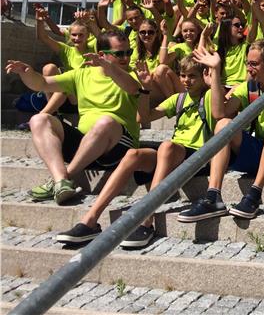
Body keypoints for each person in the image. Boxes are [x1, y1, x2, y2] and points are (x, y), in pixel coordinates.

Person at [54, 55, 220, 246]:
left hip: (198, 155)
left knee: (167, 146)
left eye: (192, 76)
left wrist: (214, 77)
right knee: (133, 154)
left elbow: (219, 113)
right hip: (171, 153)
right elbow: (143, 118)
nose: (186, 81)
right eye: (183, 75)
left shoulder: (210, 95)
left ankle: (146, 219)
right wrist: (145, 90)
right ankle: (90, 220)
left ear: (203, 76)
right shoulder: (179, 98)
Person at [4, 30, 144, 204]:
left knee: (106, 122)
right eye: (119, 54)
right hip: (85, 145)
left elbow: (132, 88)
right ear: (102, 54)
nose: (126, 58)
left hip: (117, 149)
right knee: (39, 119)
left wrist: (111, 68)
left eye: (128, 52)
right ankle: (61, 180)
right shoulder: (82, 74)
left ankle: (63, 178)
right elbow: (42, 83)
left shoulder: (134, 74)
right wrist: (27, 72)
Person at [176, 40, 264, 222]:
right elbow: (220, 113)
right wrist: (215, 73)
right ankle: (213, 197)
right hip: (260, 152)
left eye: (254, 64)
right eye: (247, 63)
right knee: (223, 125)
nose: (248, 69)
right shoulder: (249, 87)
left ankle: (254, 194)